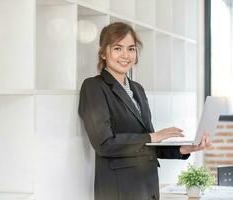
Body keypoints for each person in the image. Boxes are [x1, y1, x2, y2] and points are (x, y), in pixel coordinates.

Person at [78, 22, 211, 200]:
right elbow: (104, 144)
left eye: (131, 49)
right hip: (119, 190)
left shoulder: (137, 89)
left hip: (147, 187)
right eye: (117, 48)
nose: (125, 55)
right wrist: (152, 136)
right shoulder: (94, 86)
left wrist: (185, 148)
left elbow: (147, 146)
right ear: (103, 53)